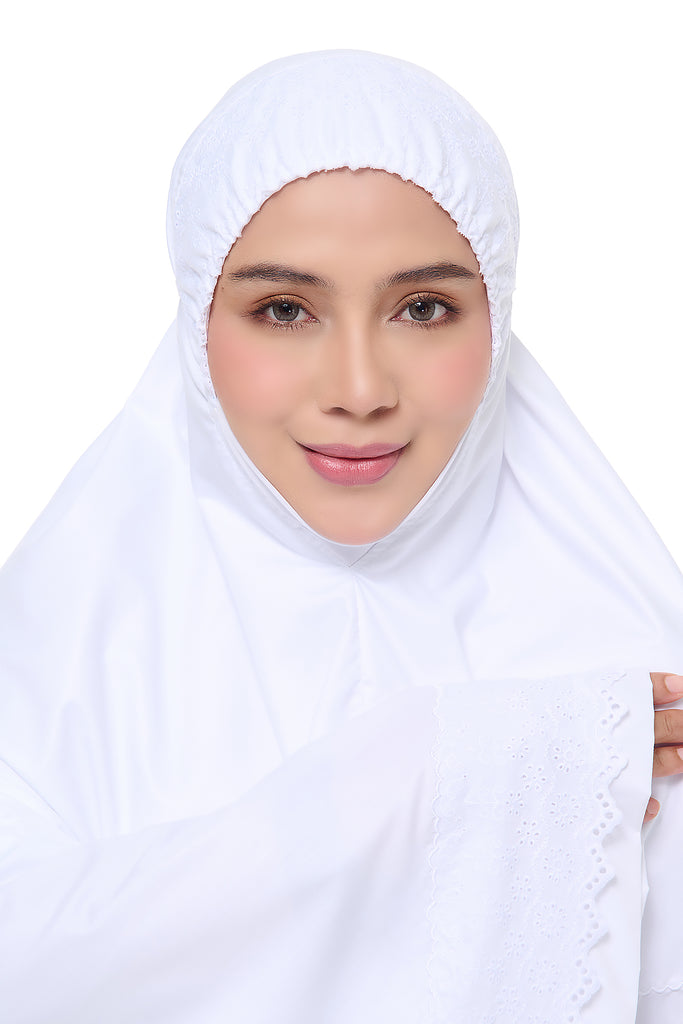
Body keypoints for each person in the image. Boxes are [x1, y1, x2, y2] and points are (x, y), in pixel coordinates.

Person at [1, 49, 682, 1023]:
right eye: (284, 310)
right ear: (195, 323)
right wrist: (412, 788)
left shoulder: (629, 683)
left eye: (423, 309)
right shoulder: (51, 665)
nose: (359, 390)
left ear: (497, 316)